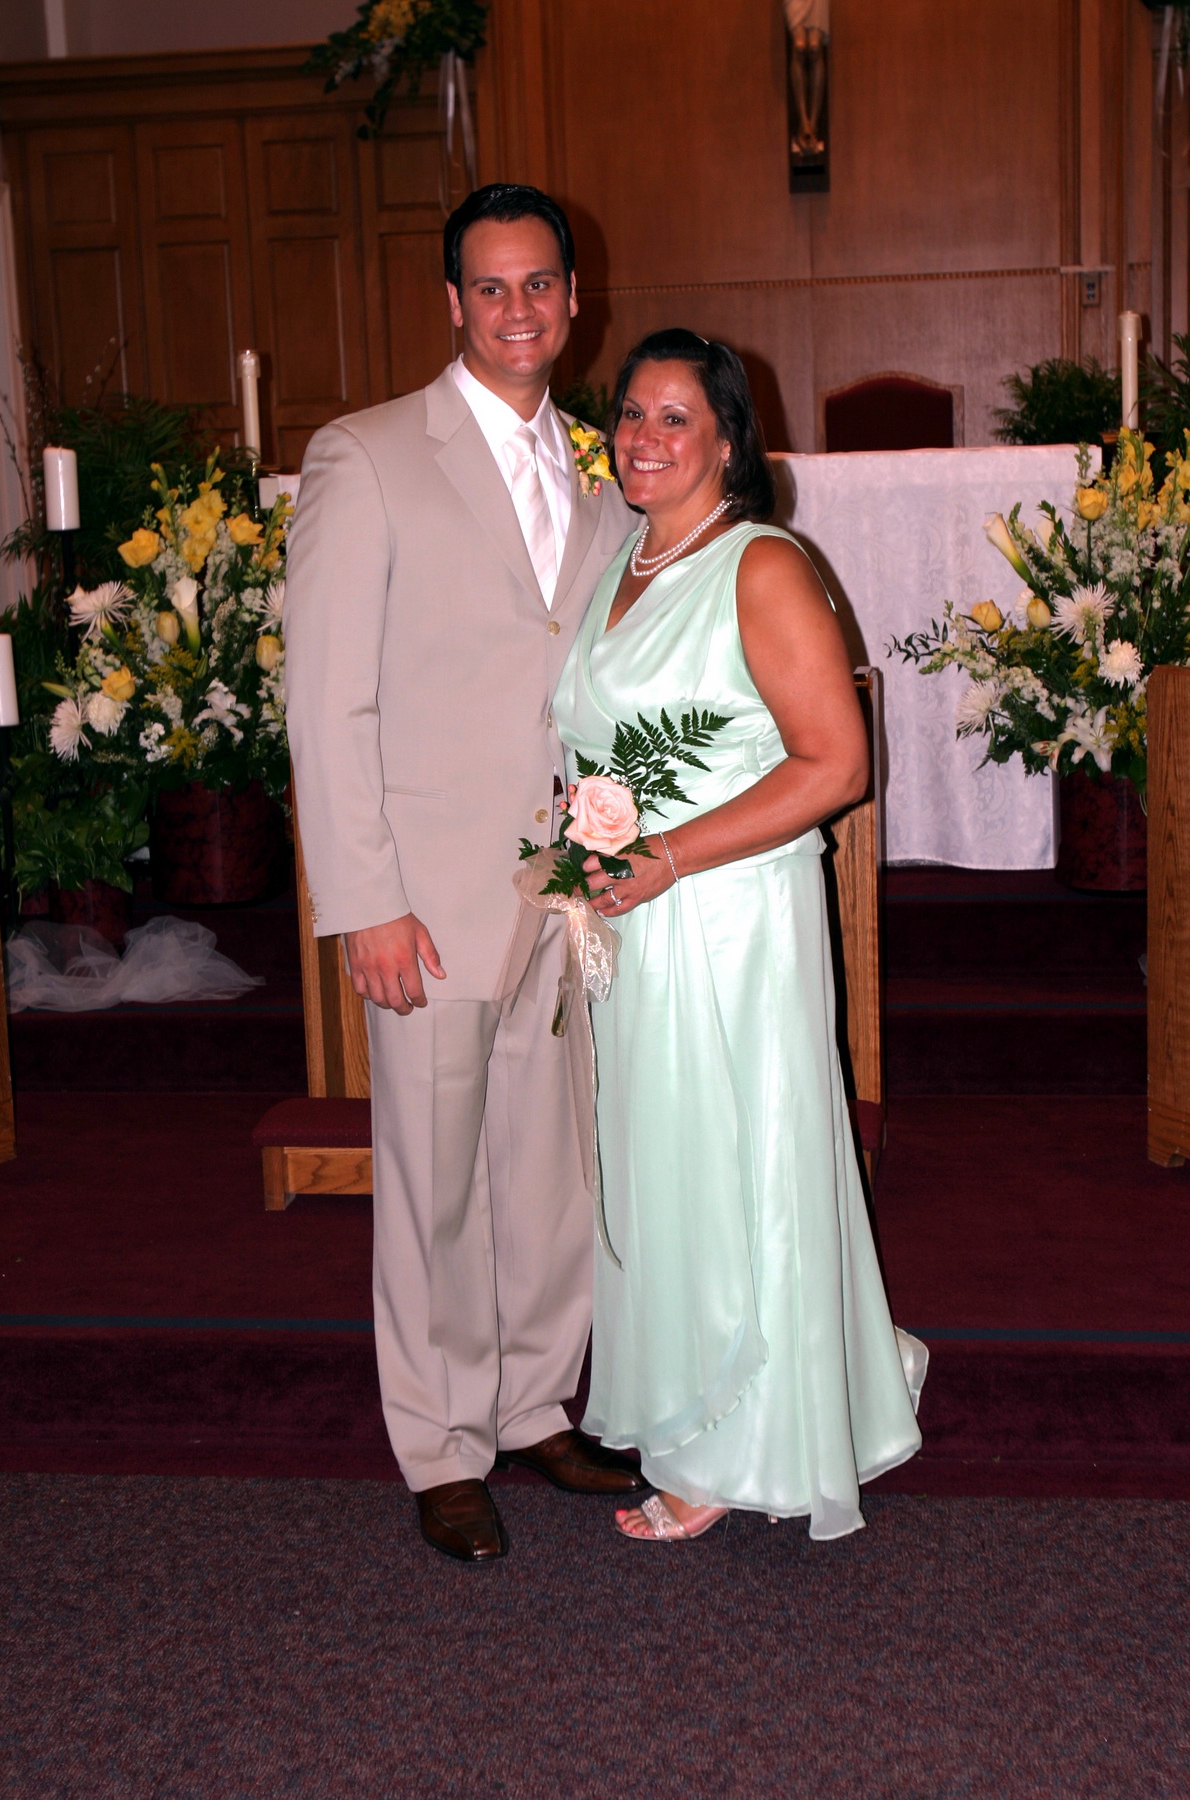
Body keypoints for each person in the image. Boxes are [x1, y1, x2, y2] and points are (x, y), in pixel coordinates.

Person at [284, 184, 640, 1564]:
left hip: (560, 890)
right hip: (423, 899)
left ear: (573, 298)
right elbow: (327, 701)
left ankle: (535, 1403)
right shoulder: (368, 455)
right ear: (452, 304)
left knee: (553, 1173)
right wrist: (362, 897)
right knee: (432, 1186)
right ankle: (439, 1442)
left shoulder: (605, 479)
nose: (517, 310)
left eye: (539, 283)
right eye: (490, 288)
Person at [552, 328, 926, 1542]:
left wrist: (664, 854)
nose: (644, 437)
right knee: (665, 1166)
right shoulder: (622, 563)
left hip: (730, 921)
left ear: (727, 441)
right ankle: (708, 1404)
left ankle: (739, 1445)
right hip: (636, 923)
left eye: (676, 418)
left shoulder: (759, 564)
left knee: (735, 1158)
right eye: (631, 413)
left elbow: (836, 764)